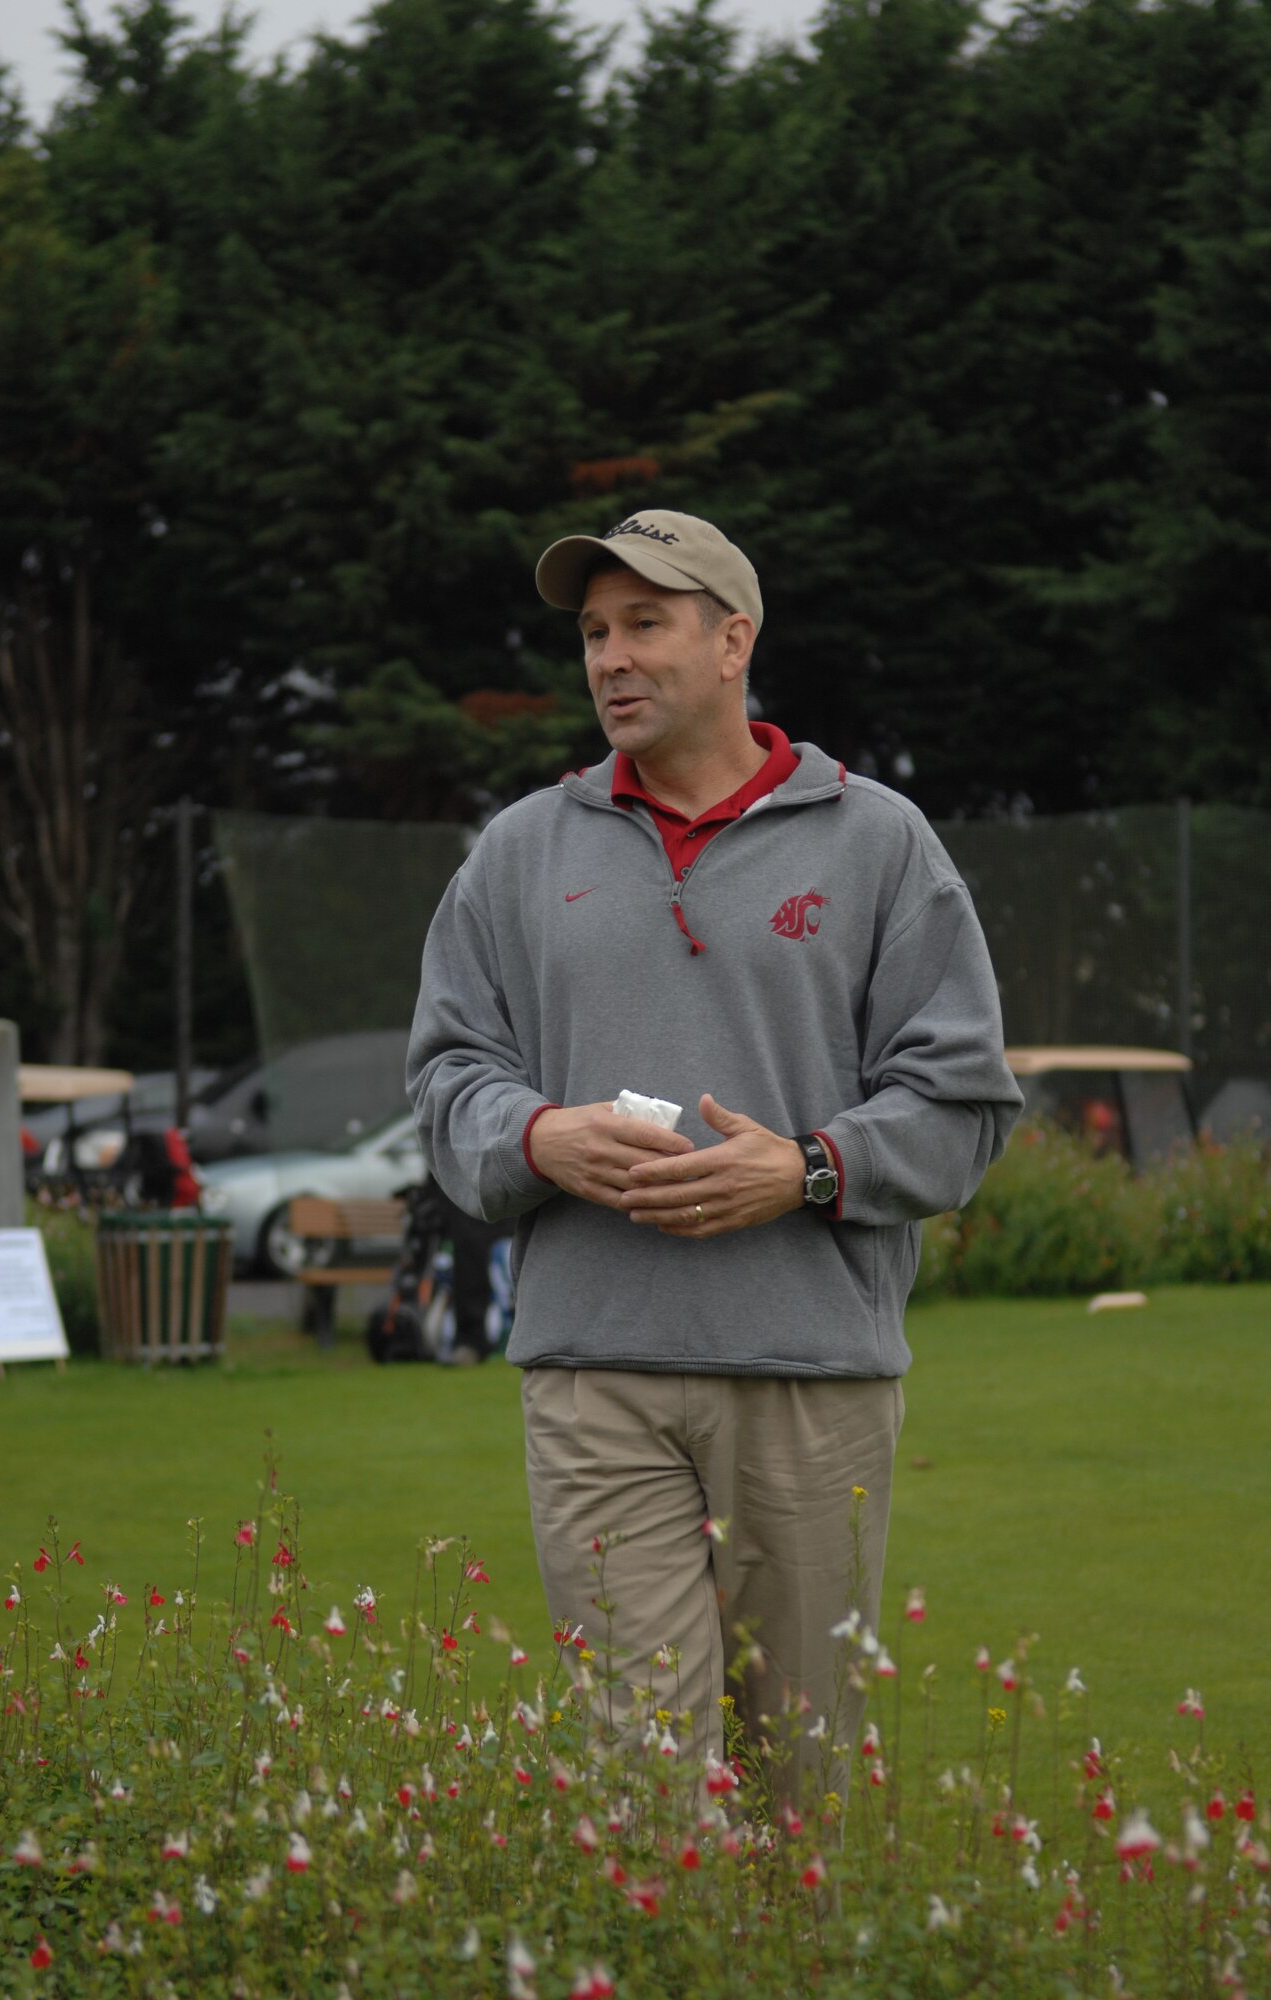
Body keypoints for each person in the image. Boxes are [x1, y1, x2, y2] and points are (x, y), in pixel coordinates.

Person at [407, 508, 1022, 1802]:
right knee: (644, 1790)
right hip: (594, 1381)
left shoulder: (881, 843)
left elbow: (964, 1106)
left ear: (734, 637)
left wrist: (804, 1167)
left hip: (811, 1384)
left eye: (645, 624)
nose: (610, 659)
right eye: (591, 632)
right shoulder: (520, 854)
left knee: (796, 1793)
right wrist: (534, 1132)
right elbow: (448, 1078)